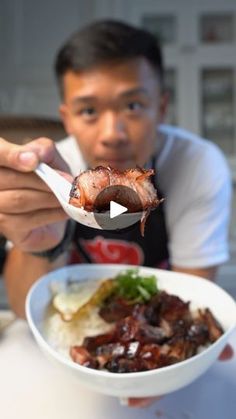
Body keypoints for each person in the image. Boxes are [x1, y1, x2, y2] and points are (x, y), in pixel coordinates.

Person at [0, 19, 233, 407]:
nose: (112, 132)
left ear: (161, 106)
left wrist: (165, 364)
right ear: (67, 116)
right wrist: (43, 242)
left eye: (133, 105)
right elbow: (28, 309)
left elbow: (192, 299)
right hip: (59, 371)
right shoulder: (59, 170)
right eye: (88, 110)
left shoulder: (197, 164)